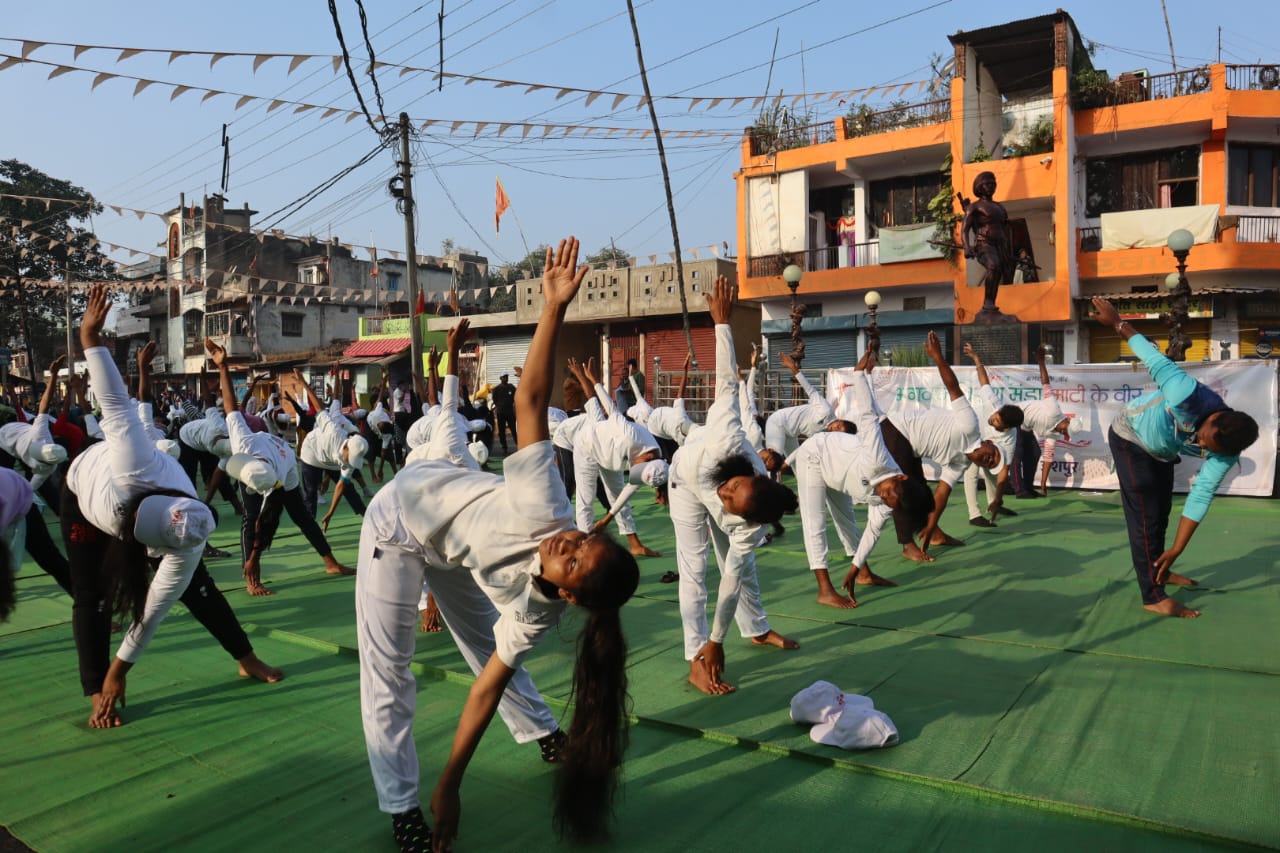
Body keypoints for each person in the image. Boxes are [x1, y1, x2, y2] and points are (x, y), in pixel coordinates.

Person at [356, 237, 639, 850]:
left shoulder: (538, 611)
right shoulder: (548, 504)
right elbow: (531, 399)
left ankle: (542, 734)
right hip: (398, 521)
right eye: (581, 542)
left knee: (487, 645)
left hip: (452, 547)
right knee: (389, 668)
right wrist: (554, 308)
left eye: (571, 561)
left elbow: (487, 685)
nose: (566, 543)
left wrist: (451, 782)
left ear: (570, 597)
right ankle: (402, 806)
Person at [64, 288, 282, 729]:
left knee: (198, 588)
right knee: (92, 597)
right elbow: (113, 404)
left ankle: (245, 656)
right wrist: (90, 338)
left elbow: (155, 609)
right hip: (81, 490)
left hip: (152, 520)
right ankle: (93, 693)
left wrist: (120, 669)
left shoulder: (187, 536)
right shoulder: (132, 469)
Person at [668, 274, 799, 696]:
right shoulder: (729, 436)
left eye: (731, 503)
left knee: (739, 572)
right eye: (731, 490)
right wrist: (722, 323)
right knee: (694, 570)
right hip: (683, 480)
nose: (724, 496)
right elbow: (727, 379)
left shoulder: (748, 529)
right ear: (750, 473)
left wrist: (719, 638)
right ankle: (694, 659)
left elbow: (731, 582)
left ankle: (755, 629)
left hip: (735, 514)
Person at [1091, 297, 1260, 618]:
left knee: (1162, 512)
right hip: (1130, 437)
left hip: (1163, 450)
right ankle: (1152, 594)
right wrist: (1116, 322)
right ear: (1213, 420)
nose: (1206, 452)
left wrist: (1178, 548)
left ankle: (1162, 570)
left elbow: (1201, 495)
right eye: (1208, 444)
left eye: (1214, 453)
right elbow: (1151, 356)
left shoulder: (1226, 449)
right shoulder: (1185, 393)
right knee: (1144, 516)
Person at [203, 339, 354, 596]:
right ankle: (251, 577)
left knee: (301, 519)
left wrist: (256, 554)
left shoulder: (284, 471)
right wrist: (223, 367)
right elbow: (230, 405)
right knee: (250, 519)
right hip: (260, 457)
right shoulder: (242, 443)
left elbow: (269, 519)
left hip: (281, 467)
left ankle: (330, 563)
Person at [789, 347, 933, 608]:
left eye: (889, 501)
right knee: (815, 523)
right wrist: (859, 374)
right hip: (815, 456)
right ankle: (825, 590)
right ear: (899, 478)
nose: (883, 496)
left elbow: (872, 534)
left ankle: (864, 573)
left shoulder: (889, 503)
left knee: (849, 523)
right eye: (889, 492)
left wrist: (854, 569)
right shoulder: (880, 457)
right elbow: (868, 416)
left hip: (839, 475)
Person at [879, 332, 1001, 561]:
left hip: (911, 446)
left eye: (991, 464)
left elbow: (942, 495)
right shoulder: (970, 425)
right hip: (896, 430)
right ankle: (907, 545)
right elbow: (953, 387)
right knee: (902, 489)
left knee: (924, 492)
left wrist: (931, 525)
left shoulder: (960, 463)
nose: (988, 460)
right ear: (988, 443)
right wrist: (937, 357)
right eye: (991, 456)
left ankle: (933, 535)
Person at [566, 356, 665, 557]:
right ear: (645, 459)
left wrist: (606, 520)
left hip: (611, 455)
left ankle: (635, 544)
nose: (634, 471)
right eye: (637, 467)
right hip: (587, 446)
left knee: (618, 497)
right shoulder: (630, 433)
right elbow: (608, 405)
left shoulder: (654, 463)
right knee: (586, 499)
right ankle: (585, 548)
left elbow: (624, 496)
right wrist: (592, 378)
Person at [292, 370, 371, 529]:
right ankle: (310, 526)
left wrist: (330, 513)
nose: (351, 462)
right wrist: (304, 384)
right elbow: (320, 408)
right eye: (351, 458)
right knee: (310, 493)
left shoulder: (350, 457)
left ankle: (368, 518)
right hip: (312, 454)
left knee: (349, 490)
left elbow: (340, 486)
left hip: (330, 460)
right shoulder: (333, 431)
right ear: (347, 447)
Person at [961, 343, 1025, 527]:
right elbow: (984, 381)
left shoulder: (1010, 440)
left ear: (1006, 428)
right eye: (996, 415)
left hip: (989, 446)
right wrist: (976, 359)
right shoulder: (994, 405)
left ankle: (993, 504)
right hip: (972, 439)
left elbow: (1003, 473)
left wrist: (998, 499)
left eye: (997, 422)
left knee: (990, 472)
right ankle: (974, 514)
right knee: (971, 472)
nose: (992, 419)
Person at [1013, 344, 1076, 498]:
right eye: (1065, 429)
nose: (1063, 432)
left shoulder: (1054, 434)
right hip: (1014, 417)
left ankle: (1029, 487)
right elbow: (1046, 383)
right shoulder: (1054, 410)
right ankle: (1020, 490)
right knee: (1017, 453)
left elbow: (1048, 457)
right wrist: (1041, 362)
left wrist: (1043, 483)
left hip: (1025, 427)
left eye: (1066, 433)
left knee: (1035, 453)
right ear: (1066, 420)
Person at [764, 352, 837, 461]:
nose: (836, 430)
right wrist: (792, 367)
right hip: (777, 422)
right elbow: (809, 389)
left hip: (791, 433)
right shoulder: (826, 410)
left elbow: (804, 448)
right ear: (841, 421)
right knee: (774, 458)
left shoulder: (825, 434)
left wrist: (787, 463)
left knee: (798, 462)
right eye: (839, 427)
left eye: (839, 432)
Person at [961, 170, 1013, 315]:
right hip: (984, 244)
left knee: (998, 274)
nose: (990, 186)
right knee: (993, 266)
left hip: (1000, 245)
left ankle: (991, 304)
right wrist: (966, 246)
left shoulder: (1000, 207)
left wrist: (1007, 250)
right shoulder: (975, 207)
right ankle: (987, 304)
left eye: (993, 183)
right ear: (979, 187)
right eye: (986, 184)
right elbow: (965, 229)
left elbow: (1005, 228)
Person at [490, 371, 517, 453]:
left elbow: (515, 396)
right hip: (501, 412)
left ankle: (519, 444)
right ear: (500, 378)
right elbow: (494, 400)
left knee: (514, 429)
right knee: (501, 431)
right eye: (504, 377)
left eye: (507, 376)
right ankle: (504, 447)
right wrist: (499, 406)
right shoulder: (497, 389)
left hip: (510, 412)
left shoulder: (511, 387)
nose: (506, 378)